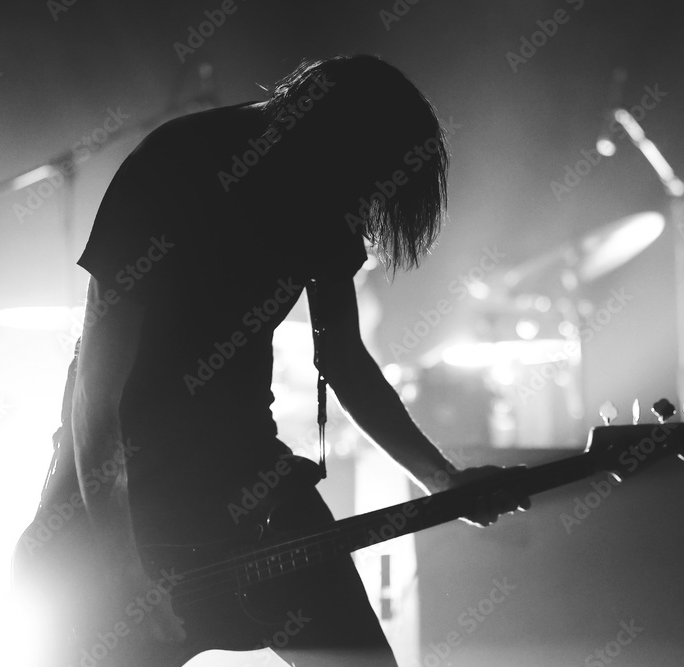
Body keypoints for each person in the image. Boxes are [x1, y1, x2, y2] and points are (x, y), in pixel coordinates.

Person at [68, 54, 511, 666]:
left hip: (251, 481)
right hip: (124, 494)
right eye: (365, 183)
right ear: (333, 145)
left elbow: (345, 359)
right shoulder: (171, 165)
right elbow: (97, 391)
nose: (360, 211)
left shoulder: (324, 195)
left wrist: (443, 482)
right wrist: (119, 569)